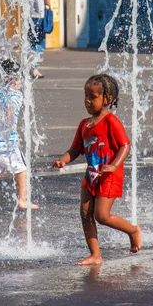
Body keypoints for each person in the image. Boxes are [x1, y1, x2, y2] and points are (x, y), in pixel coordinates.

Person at [52, 74, 141, 265]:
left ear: (107, 99)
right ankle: (95, 255)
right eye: (86, 96)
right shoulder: (84, 124)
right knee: (85, 213)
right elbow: (76, 149)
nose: (87, 101)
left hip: (109, 176)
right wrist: (63, 160)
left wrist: (114, 165)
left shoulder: (110, 121)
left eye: (93, 97)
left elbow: (125, 145)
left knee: (102, 216)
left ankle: (133, 230)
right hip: (91, 176)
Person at [0, 61, 39, 219]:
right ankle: (22, 200)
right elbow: (10, 110)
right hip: (7, 144)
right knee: (21, 169)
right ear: (12, 79)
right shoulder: (15, 94)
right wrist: (8, 119)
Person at [29, 0, 51, 79]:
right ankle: (34, 68)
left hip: (29, 18)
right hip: (40, 17)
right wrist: (49, 8)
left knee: (32, 42)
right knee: (40, 43)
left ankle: (30, 66)